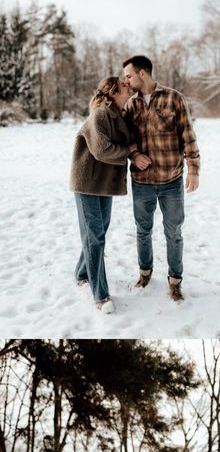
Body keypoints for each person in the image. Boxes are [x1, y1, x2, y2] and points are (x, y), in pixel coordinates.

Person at [122, 55, 200, 301]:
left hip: (171, 180)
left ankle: (175, 281)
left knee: (173, 232)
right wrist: (133, 154)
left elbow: (187, 134)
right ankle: (145, 273)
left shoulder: (173, 98)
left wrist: (194, 169)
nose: (127, 81)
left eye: (129, 75)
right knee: (142, 230)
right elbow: (125, 138)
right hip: (141, 182)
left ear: (142, 73)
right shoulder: (130, 105)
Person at [70, 76, 151, 313]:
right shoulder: (101, 114)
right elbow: (101, 149)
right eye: (123, 86)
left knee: (98, 232)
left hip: (102, 183)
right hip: (87, 182)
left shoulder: (118, 115)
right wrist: (130, 153)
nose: (128, 86)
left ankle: (82, 272)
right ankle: (100, 295)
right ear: (112, 92)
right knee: (95, 236)